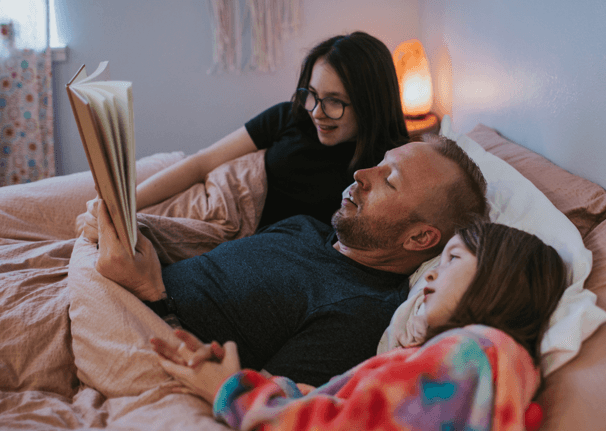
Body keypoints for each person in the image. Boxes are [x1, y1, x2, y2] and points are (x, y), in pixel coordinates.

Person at [93, 136, 489, 386]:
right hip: (123, 280)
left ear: (419, 237)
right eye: (379, 163)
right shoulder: (308, 228)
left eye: (390, 180)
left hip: (142, 328)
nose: (362, 173)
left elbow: (255, 402)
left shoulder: (357, 311)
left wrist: (149, 291)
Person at [151, 218, 568, 431]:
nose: (432, 277)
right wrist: (245, 380)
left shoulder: (475, 351)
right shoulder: (486, 366)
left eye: (452, 260)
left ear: (500, 279)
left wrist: (232, 392)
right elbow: (357, 412)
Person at [135, 31, 409, 230]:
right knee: (110, 211)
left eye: (335, 101)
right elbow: (202, 162)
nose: (316, 112)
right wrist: (126, 203)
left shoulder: (386, 168)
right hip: (215, 192)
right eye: (311, 94)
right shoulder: (290, 116)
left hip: (247, 238)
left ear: (371, 104)